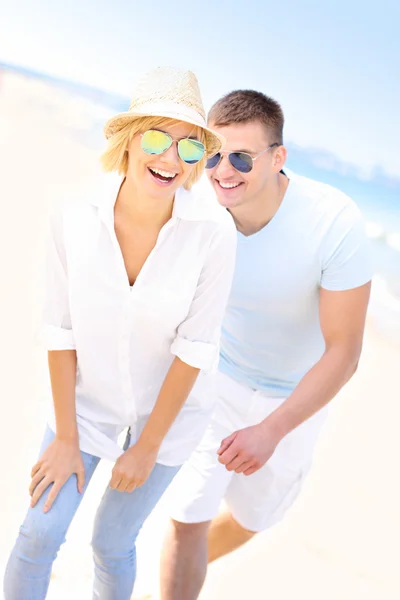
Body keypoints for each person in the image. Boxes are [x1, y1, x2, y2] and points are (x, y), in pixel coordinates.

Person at [3, 66, 237, 600]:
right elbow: (60, 331)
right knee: (39, 533)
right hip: (84, 405)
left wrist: (148, 446)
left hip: (171, 418)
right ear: (130, 142)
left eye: (190, 148)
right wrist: (65, 437)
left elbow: (195, 347)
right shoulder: (73, 217)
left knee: (111, 544)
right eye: (157, 138)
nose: (171, 159)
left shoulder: (214, 235)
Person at [159, 89, 372, 600]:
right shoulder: (198, 211)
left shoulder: (333, 221)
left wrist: (272, 429)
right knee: (187, 516)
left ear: (278, 158)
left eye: (241, 157)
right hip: (219, 377)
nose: (223, 170)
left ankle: (183, 573)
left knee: (254, 519)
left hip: (294, 399)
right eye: (213, 155)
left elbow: (345, 352)